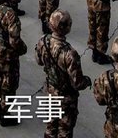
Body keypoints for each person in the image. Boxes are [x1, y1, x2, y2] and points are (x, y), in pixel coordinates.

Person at [37, 9, 91, 138]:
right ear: (67, 28)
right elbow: (77, 83)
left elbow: (39, 61)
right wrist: (87, 81)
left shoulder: (43, 42)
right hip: (66, 98)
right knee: (64, 131)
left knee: (50, 127)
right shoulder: (70, 53)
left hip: (50, 91)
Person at [0, 0, 27, 126]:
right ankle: (4, 115)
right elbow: (14, 41)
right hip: (9, 55)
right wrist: (23, 49)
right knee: (9, 84)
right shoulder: (11, 15)